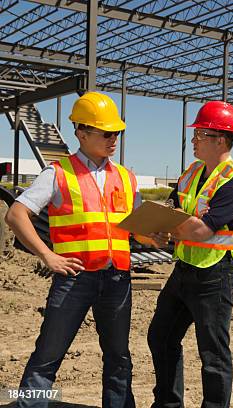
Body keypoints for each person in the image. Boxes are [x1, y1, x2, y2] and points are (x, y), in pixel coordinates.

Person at [5, 91, 138, 407]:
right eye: (106, 133)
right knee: (48, 356)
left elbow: (133, 227)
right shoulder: (58, 173)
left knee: (119, 358)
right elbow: (15, 214)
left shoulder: (125, 177)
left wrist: (152, 237)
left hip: (118, 280)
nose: (113, 139)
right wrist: (48, 255)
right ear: (81, 132)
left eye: (116, 132)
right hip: (76, 279)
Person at [147, 101, 233, 408]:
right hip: (185, 270)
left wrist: (170, 226)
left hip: (216, 276)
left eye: (200, 134)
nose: (193, 140)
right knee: (161, 337)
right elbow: (171, 208)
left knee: (213, 355)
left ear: (220, 139)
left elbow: (201, 231)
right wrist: (159, 226)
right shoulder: (191, 173)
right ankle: (168, 404)